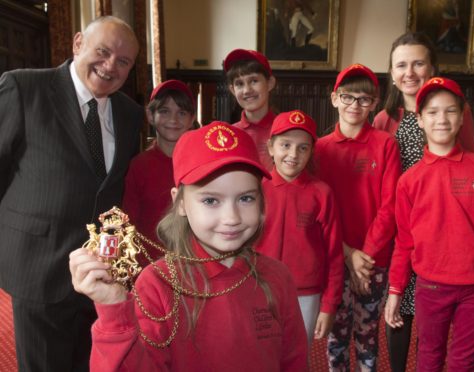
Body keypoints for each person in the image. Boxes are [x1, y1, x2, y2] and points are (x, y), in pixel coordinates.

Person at [69, 121, 309, 371]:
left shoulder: (278, 277)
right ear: (180, 203)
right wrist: (113, 309)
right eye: (210, 200)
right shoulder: (157, 284)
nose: (232, 218)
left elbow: (294, 360)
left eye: (245, 198)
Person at [0, 16, 142, 372]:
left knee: (90, 363)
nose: (111, 65)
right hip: (39, 266)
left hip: (100, 273)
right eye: (103, 51)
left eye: (123, 61)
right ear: (78, 43)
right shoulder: (23, 88)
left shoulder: (130, 114)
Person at [372, 31, 474, 371]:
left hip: (462, 244)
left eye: (418, 63)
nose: (409, 71)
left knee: (457, 353)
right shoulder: (384, 118)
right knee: (412, 328)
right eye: (401, 65)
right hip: (412, 237)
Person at [315, 64, 402, 371]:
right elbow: (318, 213)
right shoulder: (318, 149)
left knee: (367, 335)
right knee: (336, 336)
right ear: (334, 98)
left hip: (374, 260)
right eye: (348, 97)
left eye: (364, 99)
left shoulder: (385, 144)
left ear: (374, 104)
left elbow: (390, 205)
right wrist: (348, 255)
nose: (355, 105)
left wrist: (364, 257)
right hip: (335, 258)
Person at [256, 109, 344, 344]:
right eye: (285, 145)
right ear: (271, 147)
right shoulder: (255, 190)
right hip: (259, 289)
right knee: (259, 356)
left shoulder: (321, 194)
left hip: (306, 295)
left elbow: (334, 254)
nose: (293, 154)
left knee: (296, 358)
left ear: (311, 152)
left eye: (302, 147)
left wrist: (329, 305)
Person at [122, 79, 197, 266]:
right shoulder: (138, 166)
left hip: (196, 264)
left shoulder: (201, 163)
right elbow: (129, 224)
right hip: (150, 266)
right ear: (150, 114)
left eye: (182, 113)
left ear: (192, 118)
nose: (173, 120)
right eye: (164, 111)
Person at [224, 48, 277, 170]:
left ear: (270, 83)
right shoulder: (228, 135)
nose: (247, 90)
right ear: (232, 90)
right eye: (239, 84)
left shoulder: (286, 130)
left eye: (254, 81)